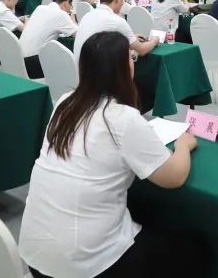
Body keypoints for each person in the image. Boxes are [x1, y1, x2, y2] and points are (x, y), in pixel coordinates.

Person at [18, 31, 204, 278]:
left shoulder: (64, 103)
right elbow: (174, 177)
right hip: (86, 265)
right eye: (131, 59)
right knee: (195, 249)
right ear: (123, 70)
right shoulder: (122, 118)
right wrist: (183, 145)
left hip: (34, 254)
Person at [73, 0, 159, 61]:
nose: (123, 3)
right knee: (130, 56)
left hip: (81, 69)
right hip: (100, 70)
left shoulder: (87, 16)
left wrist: (129, 38)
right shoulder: (117, 21)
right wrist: (154, 40)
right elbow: (142, 50)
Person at [20, 0, 78, 79]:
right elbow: (79, 35)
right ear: (66, 3)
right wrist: (73, 20)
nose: (70, 8)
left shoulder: (39, 8)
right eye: (71, 5)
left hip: (19, 59)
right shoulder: (61, 14)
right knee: (69, 64)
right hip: (33, 63)